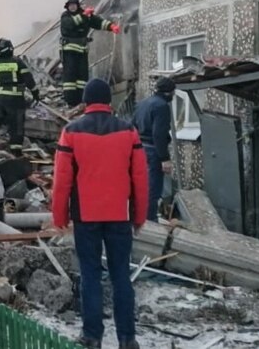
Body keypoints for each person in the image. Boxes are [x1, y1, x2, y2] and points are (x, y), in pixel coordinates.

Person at [51, 78, 149, 349]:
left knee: (91, 276)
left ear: (85, 101)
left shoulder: (70, 132)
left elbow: (62, 181)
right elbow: (140, 179)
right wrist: (139, 217)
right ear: (109, 102)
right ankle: (127, 339)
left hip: (86, 217)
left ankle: (92, 337)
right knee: (121, 277)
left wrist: (59, 218)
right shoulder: (129, 132)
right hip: (120, 215)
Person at [0, 38, 39, 156]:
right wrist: (35, 94)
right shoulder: (17, 62)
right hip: (15, 100)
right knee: (16, 126)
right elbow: (29, 80)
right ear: (10, 49)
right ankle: (16, 152)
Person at [59, 0, 121, 107]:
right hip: (69, 51)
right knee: (70, 77)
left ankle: (81, 99)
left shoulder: (85, 15)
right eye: (70, 5)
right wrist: (84, 15)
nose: (72, 7)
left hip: (82, 50)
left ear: (77, 5)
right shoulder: (65, 16)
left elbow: (98, 22)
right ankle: (70, 101)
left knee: (82, 76)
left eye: (74, 5)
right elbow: (71, 24)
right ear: (67, 7)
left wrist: (111, 26)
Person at [133, 77, 176, 221]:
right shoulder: (162, 106)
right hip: (154, 151)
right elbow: (159, 134)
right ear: (169, 93)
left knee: (140, 186)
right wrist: (165, 158)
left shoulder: (142, 104)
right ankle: (149, 221)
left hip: (140, 149)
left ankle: (138, 218)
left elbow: (132, 126)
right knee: (153, 189)